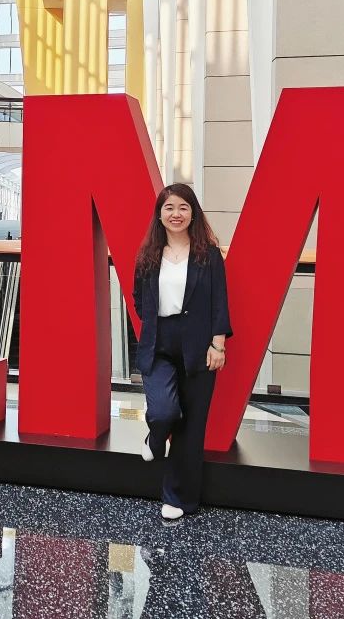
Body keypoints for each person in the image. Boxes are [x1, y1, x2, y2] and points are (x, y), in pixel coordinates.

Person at [132, 183, 231, 523]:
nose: (176, 214)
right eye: (169, 207)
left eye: (183, 207)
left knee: (192, 426)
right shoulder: (148, 256)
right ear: (160, 215)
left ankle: (179, 498)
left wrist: (218, 344)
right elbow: (139, 299)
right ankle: (155, 436)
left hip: (199, 345)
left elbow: (220, 302)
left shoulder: (208, 255)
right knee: (163, 410)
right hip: (159, 341)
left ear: (193, 213)